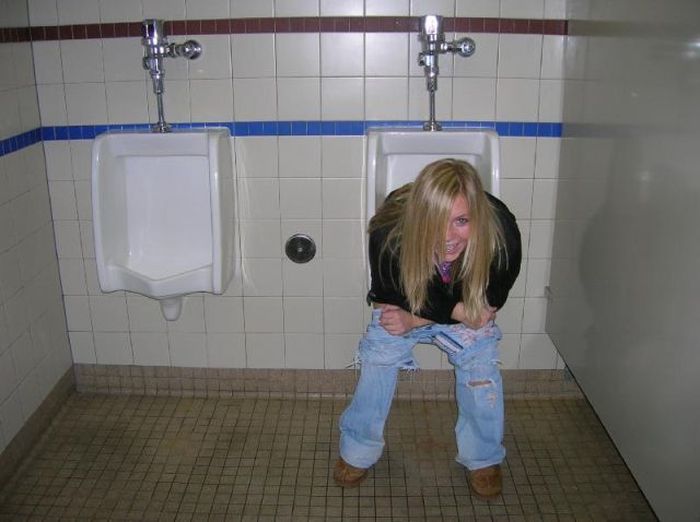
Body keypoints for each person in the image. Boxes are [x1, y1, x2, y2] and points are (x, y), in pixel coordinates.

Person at [333, 158, 521, 498]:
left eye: (462, 221)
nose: (447, 237)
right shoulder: (388, 231)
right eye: (435, 221)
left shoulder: (501, 235)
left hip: (426, 311)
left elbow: (484, 311)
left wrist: (418, 320)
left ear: (478, 216)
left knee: (481, 366)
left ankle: (483, 457)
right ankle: (358, 448)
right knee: (378, 358)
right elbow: (389, 298)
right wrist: (450, 312)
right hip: (408, 306)